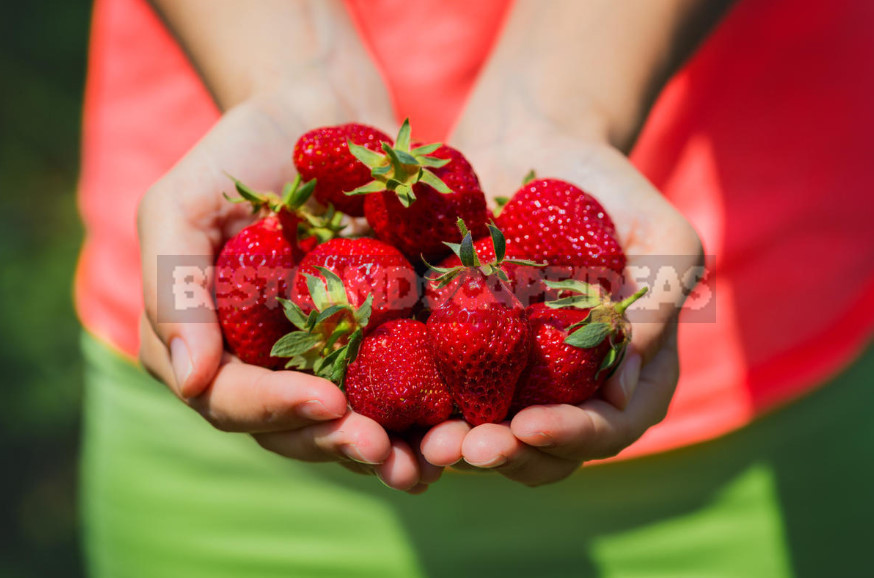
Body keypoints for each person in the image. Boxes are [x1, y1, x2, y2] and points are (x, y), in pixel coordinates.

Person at [77, 0, 874, 575]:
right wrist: (288, 75)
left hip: (756, 397)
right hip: (219, 473)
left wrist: (567, 100)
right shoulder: (311, 267)